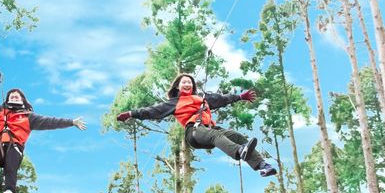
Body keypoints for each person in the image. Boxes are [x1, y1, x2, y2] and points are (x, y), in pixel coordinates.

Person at [116, 72, 277, 177]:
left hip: (209, 130)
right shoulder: (175, 102)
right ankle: (239, 151)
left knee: (236, 136)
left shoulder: (202, 99)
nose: (187, 84)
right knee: (217, 135)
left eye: (190, 83)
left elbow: (222, 99)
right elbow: (153, 111)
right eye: (184, 82)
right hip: (193, 132)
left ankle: (262, 165)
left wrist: (240, 97)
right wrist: (131, 114)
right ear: (178, 87)